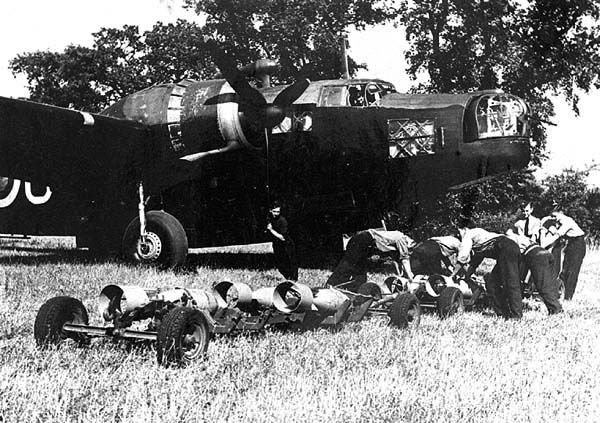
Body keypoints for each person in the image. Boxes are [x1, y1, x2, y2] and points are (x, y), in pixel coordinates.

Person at [452, 218, 522, 319]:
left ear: (464, 229)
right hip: (509, 248)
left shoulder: (468, 234)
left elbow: (462, 257)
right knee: (491, 282)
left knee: (511, 283)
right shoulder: (480, 237)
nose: (458, 237)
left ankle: (516, 316)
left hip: (506, 248)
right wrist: (466, 276)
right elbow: (475, 261)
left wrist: (452, 275)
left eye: (458, 233)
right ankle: (503, 313)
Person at [326, 228, 415, 291]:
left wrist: (401, 275)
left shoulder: (396, 237)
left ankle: (353, 291)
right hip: (363, 240)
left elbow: (397, 261)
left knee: (360, 272)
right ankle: (331, 285)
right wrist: (411, 277)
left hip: (361, 240)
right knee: (349, 264)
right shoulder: (402, 239)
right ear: (410, 241)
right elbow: (405, 260)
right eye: (410, 249)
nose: (408, 250)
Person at [505, 229, 563, 314]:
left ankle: (556, 309)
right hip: (545, 253)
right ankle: (556, 308)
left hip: (536, 255)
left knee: (542, 286)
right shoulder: (521, 237)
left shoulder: (509, 239)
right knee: (546, 284)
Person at [541, 210, 586, 300]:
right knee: (565, 270)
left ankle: (568, 297)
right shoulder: (558, 221)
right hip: (570, 244)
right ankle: (560, 293)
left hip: (578, 244)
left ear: (561, 214)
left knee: (572, 271)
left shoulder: (567, 222)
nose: (553, 218)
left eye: (555, 216)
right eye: (552, 216)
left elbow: (556, 236)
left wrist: (542, 246)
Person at [266, 202, 298, 281]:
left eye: (278, 212)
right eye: (274, 211)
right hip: (277, 244)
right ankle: (288, 279)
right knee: (280, 265)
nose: (276, 214)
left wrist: (271, 230)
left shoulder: (282, 221)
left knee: (289, 263)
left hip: (286, 245)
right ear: (270, 211)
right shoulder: (270, 218)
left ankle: (293, 280)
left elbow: (282, 238)